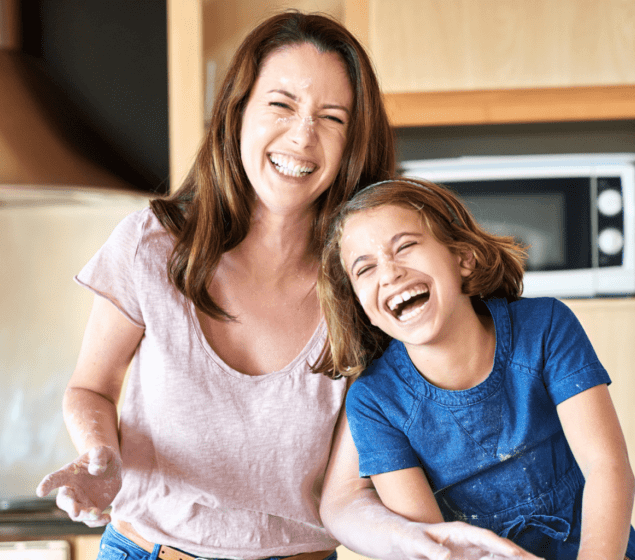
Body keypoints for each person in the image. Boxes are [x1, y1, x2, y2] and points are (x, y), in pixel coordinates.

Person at [35, 11, 538, 560]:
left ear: (353, 143)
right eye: (281, 104)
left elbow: (350, 495)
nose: (302, 136)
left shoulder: (366, 287)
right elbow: (92, 387)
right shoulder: (152, 246)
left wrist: (425, 541)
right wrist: (100, 455)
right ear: (238, 113)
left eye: (332, 118)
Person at [315, 177, 635, 560]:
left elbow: (607, 466)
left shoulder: (545, 326)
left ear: (463, 257)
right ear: (360, 304)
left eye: (406, 246)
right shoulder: (374, 402)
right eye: (365, 269)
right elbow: (433, 544)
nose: (389, 273)